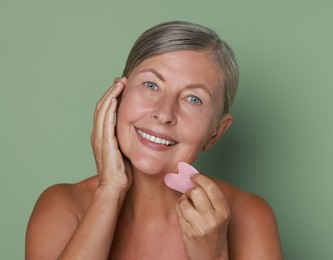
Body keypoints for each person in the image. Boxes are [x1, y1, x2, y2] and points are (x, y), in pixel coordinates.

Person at [26, 21, 283, 259]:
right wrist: (110, 189)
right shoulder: (62, 206)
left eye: (193, 99)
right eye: (151, 85)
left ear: (216, 131)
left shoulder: (249, 216)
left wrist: (213, 255)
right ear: (117, 97)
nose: (164, 113)